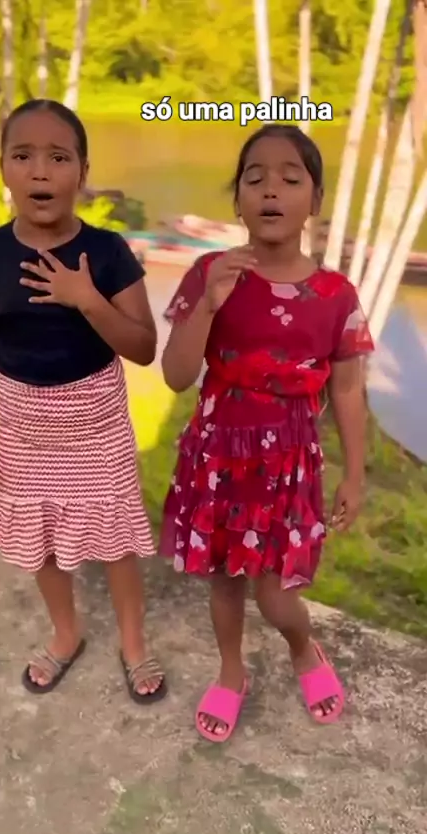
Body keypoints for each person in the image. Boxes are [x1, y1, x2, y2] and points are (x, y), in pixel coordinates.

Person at [0, 99, 167, 703]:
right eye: (23, 156)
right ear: (3, 168)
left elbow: (143, 348)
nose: (40, 171)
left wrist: (86, 298)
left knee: (116, 539)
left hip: (97, 424)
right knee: (37, 537)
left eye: (59, 157)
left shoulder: (109, 252)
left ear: (83, 172)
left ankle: (133, 642)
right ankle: (67, 633)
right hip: (23, 428)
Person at [160, 124, 373, 742]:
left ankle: (303, 647)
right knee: (224, 581)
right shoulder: (209, 273)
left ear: (315, 200)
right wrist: (209, 304)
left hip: (287, 467)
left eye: (290, 178)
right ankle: (232, 672)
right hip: (218, 458)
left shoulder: (335, 295)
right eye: (254, 178)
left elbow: (348, 390)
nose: (271, 190)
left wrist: (355, 474)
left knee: (277, 597)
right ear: (238, 201)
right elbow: (176, 375)